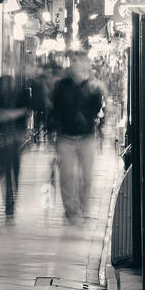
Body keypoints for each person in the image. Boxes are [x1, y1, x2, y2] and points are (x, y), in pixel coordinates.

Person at [49, 51, 104, 223]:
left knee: (87, 176)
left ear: (85, 64)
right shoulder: (61, 86)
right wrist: (52, 130)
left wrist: (98, 126)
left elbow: (99, 111)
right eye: (72, 62)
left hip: (87, 137)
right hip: (65, 136)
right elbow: (54, 110)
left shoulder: (94, 87)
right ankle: (71, 211)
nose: (74, 65)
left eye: (77, 62)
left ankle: (84, 207)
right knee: (67, 176)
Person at [0, 66, 31, 221]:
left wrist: (9, 115)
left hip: (15, 136)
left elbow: (24, 111)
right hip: (6, 137)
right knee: (8, 169)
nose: (8, 87)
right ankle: (9, 201)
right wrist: (13, 114)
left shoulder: (21, 92)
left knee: (11, 169)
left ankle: (11, 200)